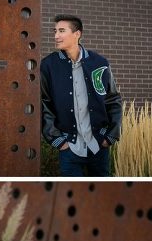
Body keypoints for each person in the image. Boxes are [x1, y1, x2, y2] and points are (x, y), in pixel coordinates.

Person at [41, 14, 122, 177]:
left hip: (98, 145)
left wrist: (110, 136)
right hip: (69, 147)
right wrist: (58, 140)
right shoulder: (49, 65)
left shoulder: (99, 63)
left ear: (77, 34)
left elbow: (113, 99)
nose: (56, 36)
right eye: (55, 31)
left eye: (61, 31)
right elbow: (44, 102)